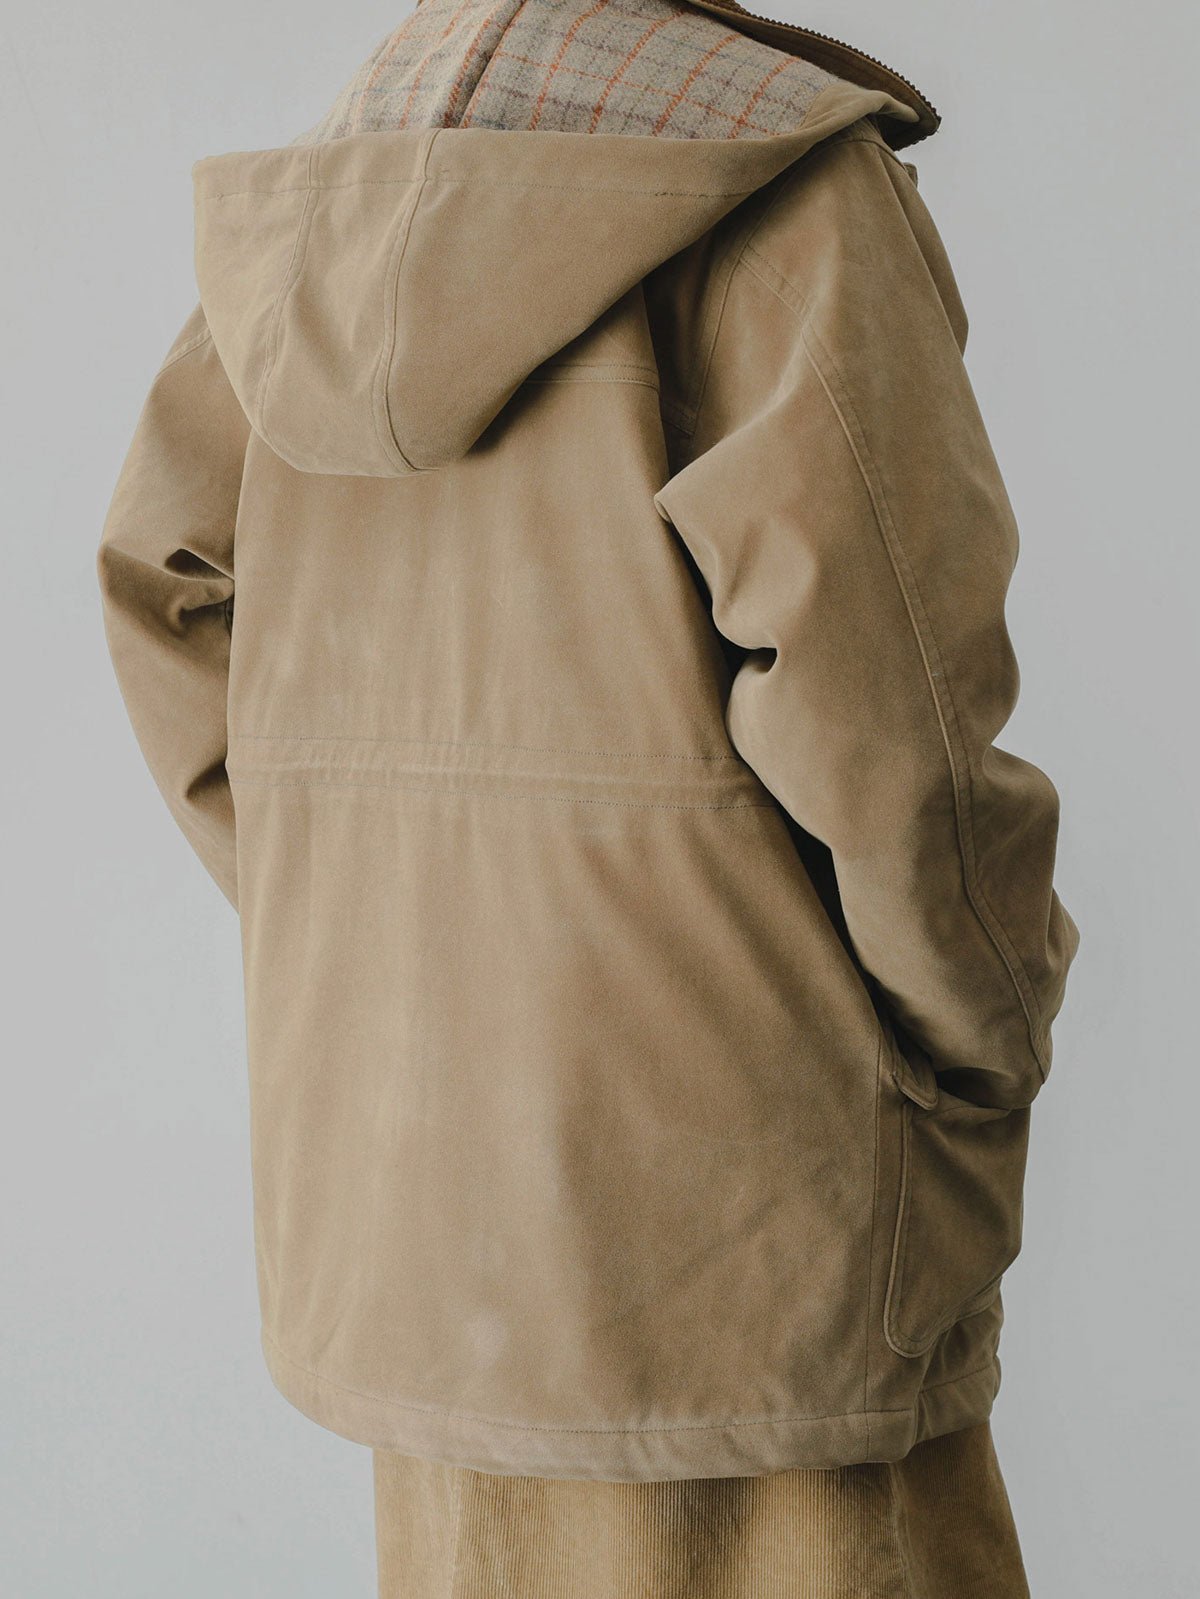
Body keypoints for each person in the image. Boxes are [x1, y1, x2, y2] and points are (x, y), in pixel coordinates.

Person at [97, 1, 1079, 1592]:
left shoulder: (323, 217)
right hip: (754, 1229)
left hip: (421, 1226)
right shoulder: (782, 195)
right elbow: (899, 720)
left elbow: (161, 584)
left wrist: (367, 935)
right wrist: (990, 1031)